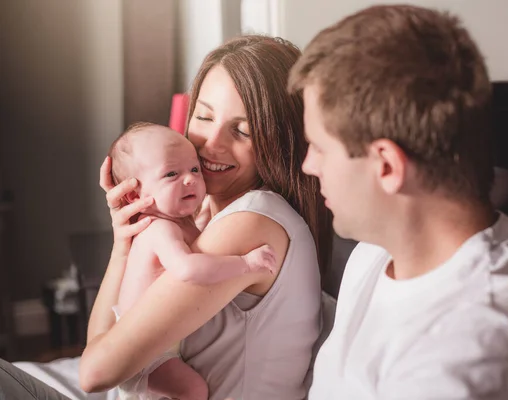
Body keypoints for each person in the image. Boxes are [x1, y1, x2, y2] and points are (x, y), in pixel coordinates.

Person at [0, 35, 331, 400]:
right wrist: (126, 243)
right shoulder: (204, 215)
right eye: (203, 116)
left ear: (279, 141)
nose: (210, 144)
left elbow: (95, 370)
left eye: (242, 130)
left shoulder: (251, 222)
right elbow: (100, 346)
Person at [288, 5, 508, 400]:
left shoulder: (471, 355)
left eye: (319, 147)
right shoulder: (375, 254)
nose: (308, 165)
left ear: (387, 166)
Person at [107, 122, 277, 400]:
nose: (190, 180)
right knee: (193, 390)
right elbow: (187, 268)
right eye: (171, 173)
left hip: (154, 342)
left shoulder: (180, 222)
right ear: (135, 196)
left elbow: (199, 234)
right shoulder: (159, 228)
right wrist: (246, 263)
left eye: (195, 169)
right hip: (139, 347)